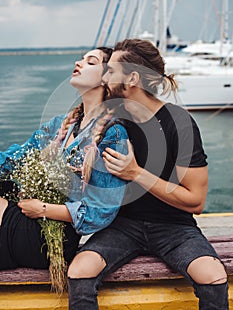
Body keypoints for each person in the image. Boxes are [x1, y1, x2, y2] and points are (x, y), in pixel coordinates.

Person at [67, 39, 229, 310]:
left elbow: (196, 201)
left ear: (132, 78)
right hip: (123, 225)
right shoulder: (111, 121)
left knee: (213, 275)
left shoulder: (179, 122)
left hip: (174, 227)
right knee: (80, 270)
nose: (105, 76)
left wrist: (136, 173)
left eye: (111, 70)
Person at [0, 47, 129, 271]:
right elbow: (16, 159)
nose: (79, 63)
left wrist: (42, 209)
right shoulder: (61, 125)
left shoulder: (113, 134)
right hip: (30, 220)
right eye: (80, 58)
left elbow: (100, 213)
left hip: (53, 238)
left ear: (107, 78)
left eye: (91, 61)